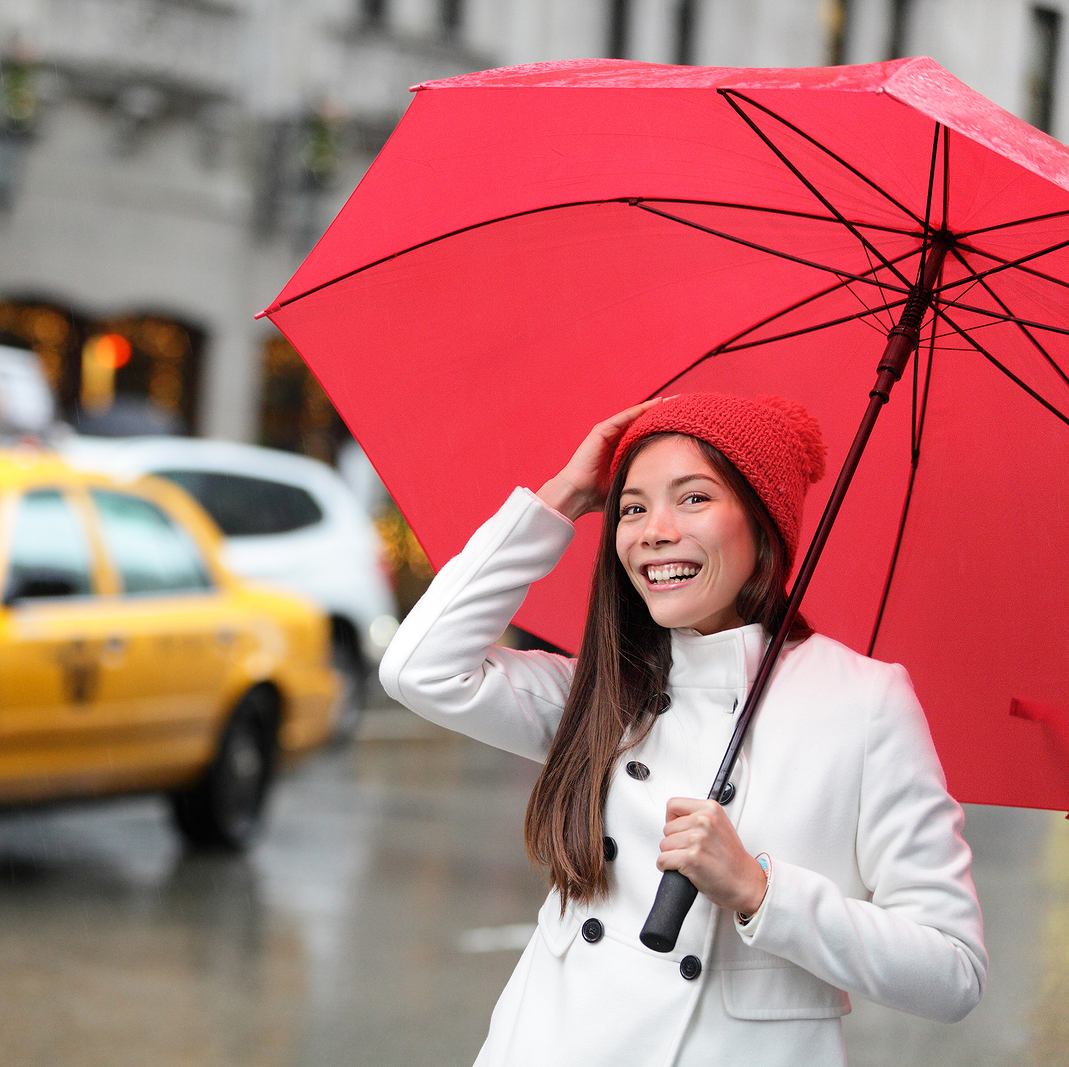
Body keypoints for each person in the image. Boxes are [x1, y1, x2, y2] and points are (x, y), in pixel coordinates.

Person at [379, 393, 985, 1067]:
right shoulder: (605, 691)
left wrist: (762, 892)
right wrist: (563, 497)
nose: (654, 530)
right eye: (632, 506)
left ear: (762, 524)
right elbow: (418, 669)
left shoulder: (863, 703)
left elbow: (953, 971)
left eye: (693, 498)